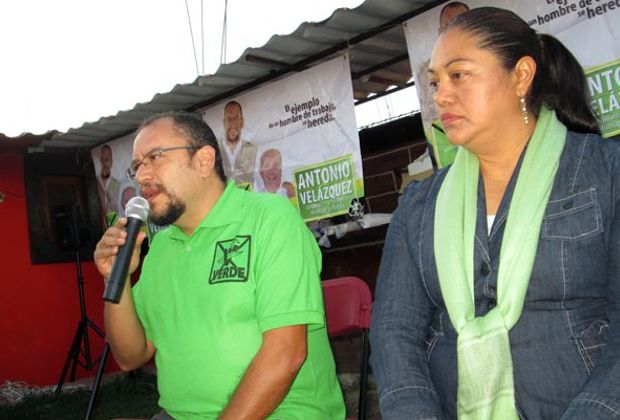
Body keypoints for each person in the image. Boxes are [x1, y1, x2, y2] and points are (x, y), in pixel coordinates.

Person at [370, 7, 619, 420]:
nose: (440, 96)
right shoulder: (419, 207)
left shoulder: (605, 174)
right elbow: (395, 332)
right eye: (435, 82)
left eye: (458, 75)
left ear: (521, 76)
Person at [94, 111, 345, 419]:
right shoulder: (160, 247)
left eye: (155, 158)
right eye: (136, 166)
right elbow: (130, 356)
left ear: (203, 161)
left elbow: (286, 354)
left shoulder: (270, 219)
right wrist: (115, 278)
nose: (141, 176)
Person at [416, 1, 470, 170]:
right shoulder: (426, 71)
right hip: (449, 150)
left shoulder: (492, 59)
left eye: (461, 23)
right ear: (440, 31)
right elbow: (430, 117)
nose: (454, 30)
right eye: (448, 26)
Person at [219, 100, 257, 186]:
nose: (232, 124)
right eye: (229, 119)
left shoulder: (253, 149)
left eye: (236, 119)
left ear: (242, 122)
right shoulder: (215, 151)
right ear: (224, 122)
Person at [96, 144, 121, 224]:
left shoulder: (118, 183)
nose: (105, 162)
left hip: (118, 221)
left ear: (111, 161)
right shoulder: (97, 181)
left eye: (107, 159)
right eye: (102, 159)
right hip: (104, 222)